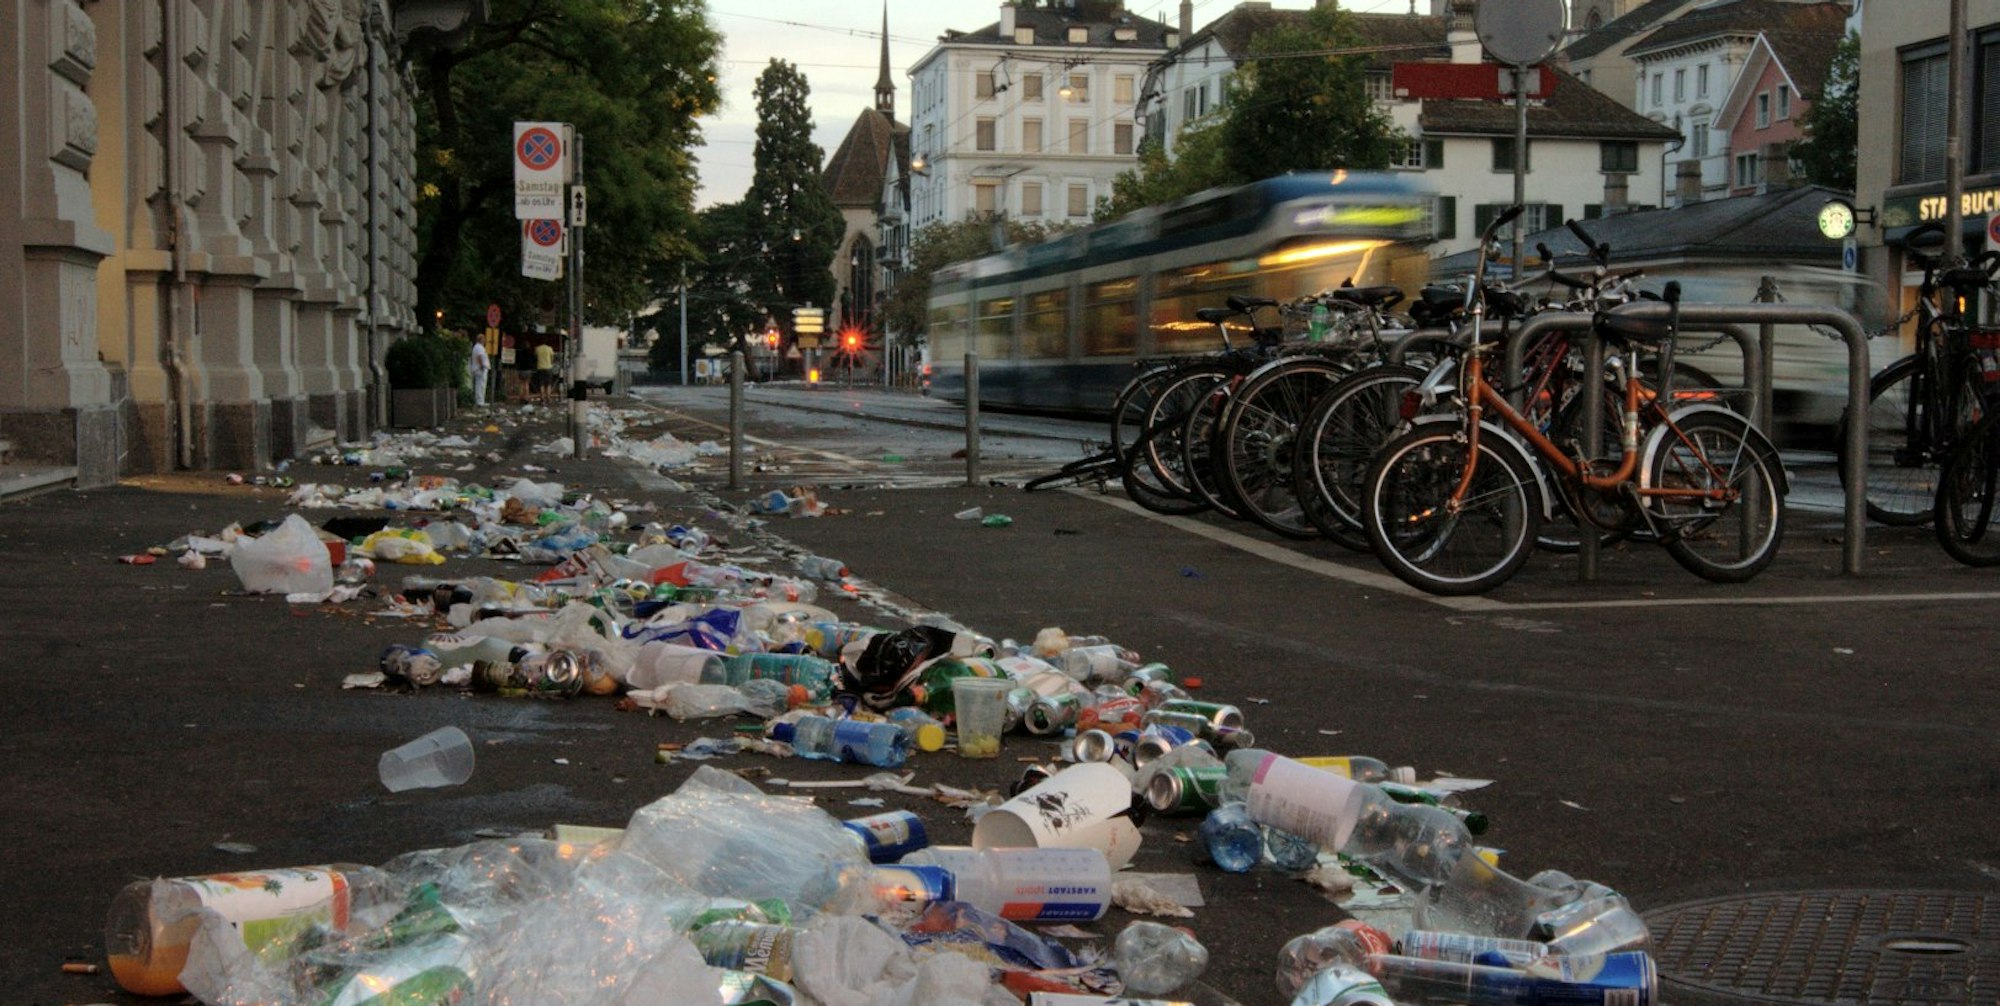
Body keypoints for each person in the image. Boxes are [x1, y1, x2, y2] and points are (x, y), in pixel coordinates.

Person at [468, 339, 490, 407]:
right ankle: (480, 402)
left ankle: (479, 401)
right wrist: (482, 366)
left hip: (477, 368)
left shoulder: (476, 347)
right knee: (481, 386)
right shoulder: (479, 347)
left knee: (479, 385)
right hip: (480, 368)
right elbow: (479, 357)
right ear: (482, 340)